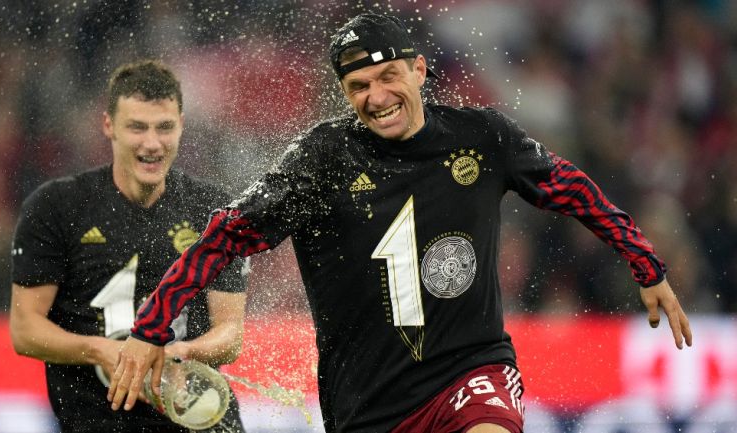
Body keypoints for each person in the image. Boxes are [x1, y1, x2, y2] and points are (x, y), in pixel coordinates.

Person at [108, 14, 693, 433]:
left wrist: (645, 264)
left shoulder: (482, 137)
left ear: (418, 70)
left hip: (473, 373)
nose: (376, 95)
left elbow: (572, 188)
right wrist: (151, 327)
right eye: (357, 86)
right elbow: (226, 236)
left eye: (388, 76)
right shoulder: (322, 157)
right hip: (367, 407)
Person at [9, 59, 248, 433]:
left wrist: (181, 353)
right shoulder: (56, 206)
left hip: (199, 421)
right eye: (137, 127)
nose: (152, 143)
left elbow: (230, 334)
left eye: (164, 127)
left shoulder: (214, 210)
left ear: (182, 126)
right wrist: (101, 350)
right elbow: (25, 330)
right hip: (97, 422)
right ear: (109, 125)